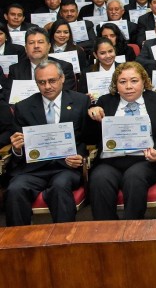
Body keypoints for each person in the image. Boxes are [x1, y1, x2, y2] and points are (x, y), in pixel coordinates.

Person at [5, 60, 89, 226]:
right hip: (33, 169)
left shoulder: (80, 101)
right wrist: (17, 149)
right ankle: (18, 239)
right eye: (42, 82)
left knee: (60, 186)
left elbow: (87, 138)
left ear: (62, 78)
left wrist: (80, 157)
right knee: (15, 189)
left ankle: (64, 238)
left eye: (52, 81)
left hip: (66, 167)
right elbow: (18, 147)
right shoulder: (23, 107)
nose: (47, 86)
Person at [87, 62, 156, 220]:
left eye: (134, 81)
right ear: (116, 84)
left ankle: (132, 227)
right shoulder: (105, 101)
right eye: (122, 82)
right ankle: (105, 229)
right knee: (99, 179)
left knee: (134, 177)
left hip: (145, 160)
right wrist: (91, 114)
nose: (128, 86)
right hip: (110, 161)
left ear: (144, 81)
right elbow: (91, 137)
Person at [8, 25, 76, 91]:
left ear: (49, 46)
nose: (36, 46)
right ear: (26, 48)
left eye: (40, 42)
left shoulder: (64, 68)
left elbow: (67, 95)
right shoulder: (15, 70)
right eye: (31, 43)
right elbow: (9, 95)